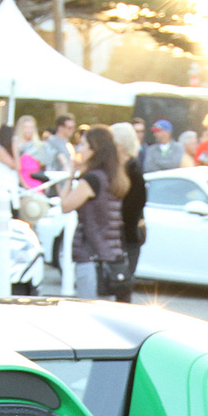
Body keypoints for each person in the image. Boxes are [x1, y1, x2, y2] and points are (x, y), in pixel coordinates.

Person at [57, 124, 129, 300]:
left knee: (88, 311)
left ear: (93, 149)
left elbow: (65, 205)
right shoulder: (113, 176)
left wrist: (71, 173)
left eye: (83, 145)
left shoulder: (91, 179)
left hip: (91, 255)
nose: (80, 149)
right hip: (111, 254)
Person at [111, 119, 147, 302]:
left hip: (128, 236)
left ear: (120, 146)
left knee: (122, 283)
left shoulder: (133, 172)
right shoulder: (121, 169)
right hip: (123, 234)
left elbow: (134, 207)